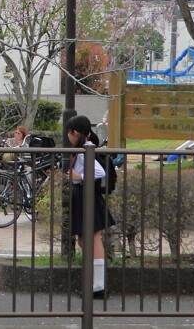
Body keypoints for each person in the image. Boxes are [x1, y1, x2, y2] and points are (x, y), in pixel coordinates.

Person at [64, 114, 115, 300]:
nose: (68, 137)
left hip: (88, 197)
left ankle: (98, 286)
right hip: (84, 196)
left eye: (69, 133)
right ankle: (95, 283)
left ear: (75, 133)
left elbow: (98, 172)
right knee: (84, 240)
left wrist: (80, 177)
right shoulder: (82, 148)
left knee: (92, 239)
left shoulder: (86, 148)